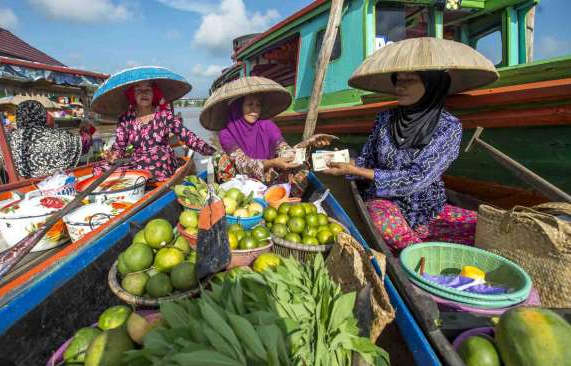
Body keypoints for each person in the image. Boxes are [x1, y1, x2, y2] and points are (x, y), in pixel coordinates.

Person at [323, 37, 499, 252]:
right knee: (385, 227)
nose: (400, 86)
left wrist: (357, 169)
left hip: (428, 210)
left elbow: (416, 178)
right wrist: (345, 164)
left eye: (411, 80)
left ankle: (415, 245)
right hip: (384, 203)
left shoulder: (449, 127)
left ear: (432, 83)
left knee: (487, 230)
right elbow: (367, 161)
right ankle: (419, 256)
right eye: (398, 79)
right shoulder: (384, 119)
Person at [200, 76, 332, 196]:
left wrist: (309, 143)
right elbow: (243, 164)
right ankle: (236, 201)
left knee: (301, 167)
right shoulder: (226, 133)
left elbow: (284, 150)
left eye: (258, 105)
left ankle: (284, 200)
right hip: (241, 181)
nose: (254, 109)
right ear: (237, 107)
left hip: (268, 177)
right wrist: (273, 162)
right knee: (219, 158)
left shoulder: (267, 126)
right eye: (249, 104)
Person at [92, 71, 215, 181]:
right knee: (99, 169)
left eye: (148, 89)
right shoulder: (125, 119)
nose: (144, 93)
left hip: (161, 160)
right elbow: (119, 148)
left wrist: (211, 152)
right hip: (137, 162)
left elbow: (188, 137)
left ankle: (146, 179)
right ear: (132, 95)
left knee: (154, 165)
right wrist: (113, 156)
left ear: (154, 93)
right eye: (138, 90)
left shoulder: (164, 115)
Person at [0, 100, 94, 178]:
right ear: (42, 115)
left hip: (23, 189)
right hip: (56, 188)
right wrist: (86, 130)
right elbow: (84, 144)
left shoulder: (8, 139)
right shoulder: (61, 137)